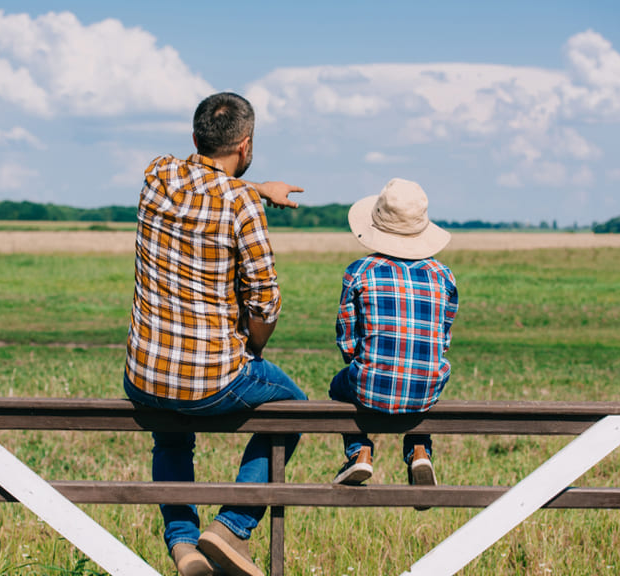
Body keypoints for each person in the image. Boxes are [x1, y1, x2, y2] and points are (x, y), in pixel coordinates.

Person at [123, 91, 307, 576]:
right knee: (295, 408)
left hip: (144, 376)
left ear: (194, 138)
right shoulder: (242, 207)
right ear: (245, 144)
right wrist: (254, 348)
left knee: (171, 439)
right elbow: (265, 302)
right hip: (213, 381)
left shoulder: (155, 175)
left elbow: (204, 178)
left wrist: (258, 187)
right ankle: (231, 528)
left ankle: (183, 543)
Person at [328, 178, 458, 501]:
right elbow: (442, 343)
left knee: (338, 386)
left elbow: (346, 342)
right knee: (423, 374)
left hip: (368, 386)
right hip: (424, 391)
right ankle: (418, 450)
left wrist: (367, 362)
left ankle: (359, 452)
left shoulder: (359, 272)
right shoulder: (443, 276)